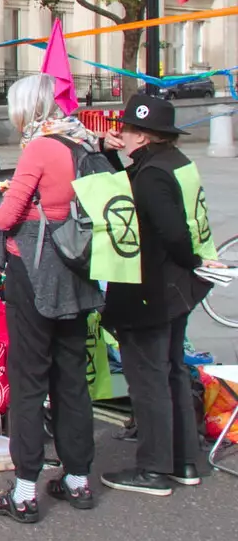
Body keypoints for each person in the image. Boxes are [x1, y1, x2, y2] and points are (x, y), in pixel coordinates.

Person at [0, 74, 101, 524]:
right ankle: (78, 479)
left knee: (29, 378)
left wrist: (14, 199)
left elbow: (6, 214)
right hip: (80, 269)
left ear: (27, 110)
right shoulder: (83, 142)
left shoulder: (40, 148)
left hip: (35, 270)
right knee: (72, 376)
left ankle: (26, 488)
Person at [99, 91, 212, 496]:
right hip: (176, 288)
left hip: (150, 290)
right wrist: (110, 155)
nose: (122, 136)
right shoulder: (173, 162)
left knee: (148, 378)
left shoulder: (152, 175)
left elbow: (172, 231)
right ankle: (184, 461)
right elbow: (123, 189)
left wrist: (185, 258)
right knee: (173, 372)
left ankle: (153, 468)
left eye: (127, 130)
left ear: (143, 137)